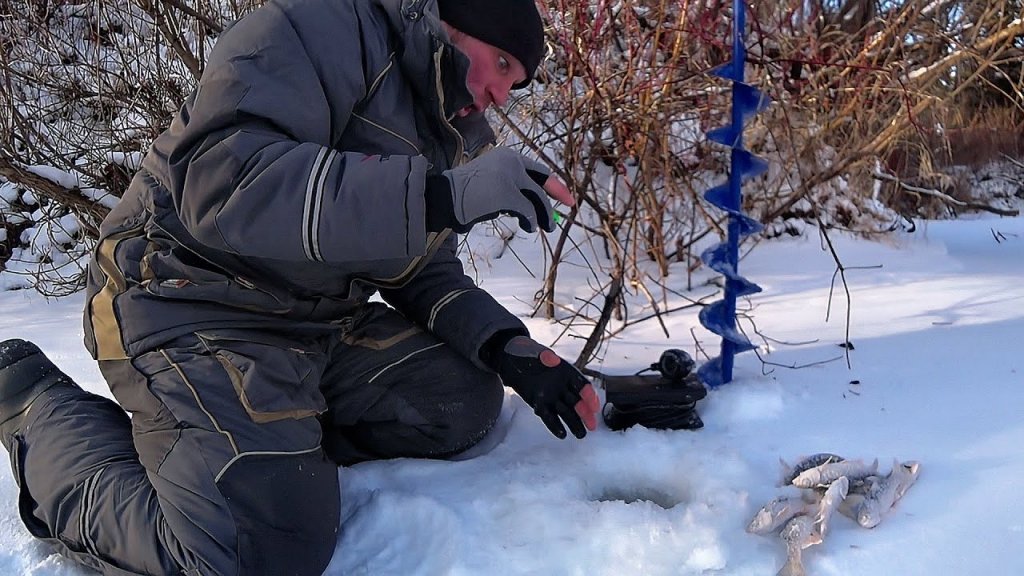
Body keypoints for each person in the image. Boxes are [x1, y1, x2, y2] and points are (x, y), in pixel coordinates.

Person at [0, 0, 601, 573]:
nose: (501, 94)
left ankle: (252, 450)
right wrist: (437, 196)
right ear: (454, 20)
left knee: (460, 401)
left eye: (515, 83)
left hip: (312, 324)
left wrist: (506, 348)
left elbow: (419, 268)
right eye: (501, 65)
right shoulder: (315, 28)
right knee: (250, 551)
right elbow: (223, 186)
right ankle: (34, 405)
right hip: (183, 297)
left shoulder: (448, 129)